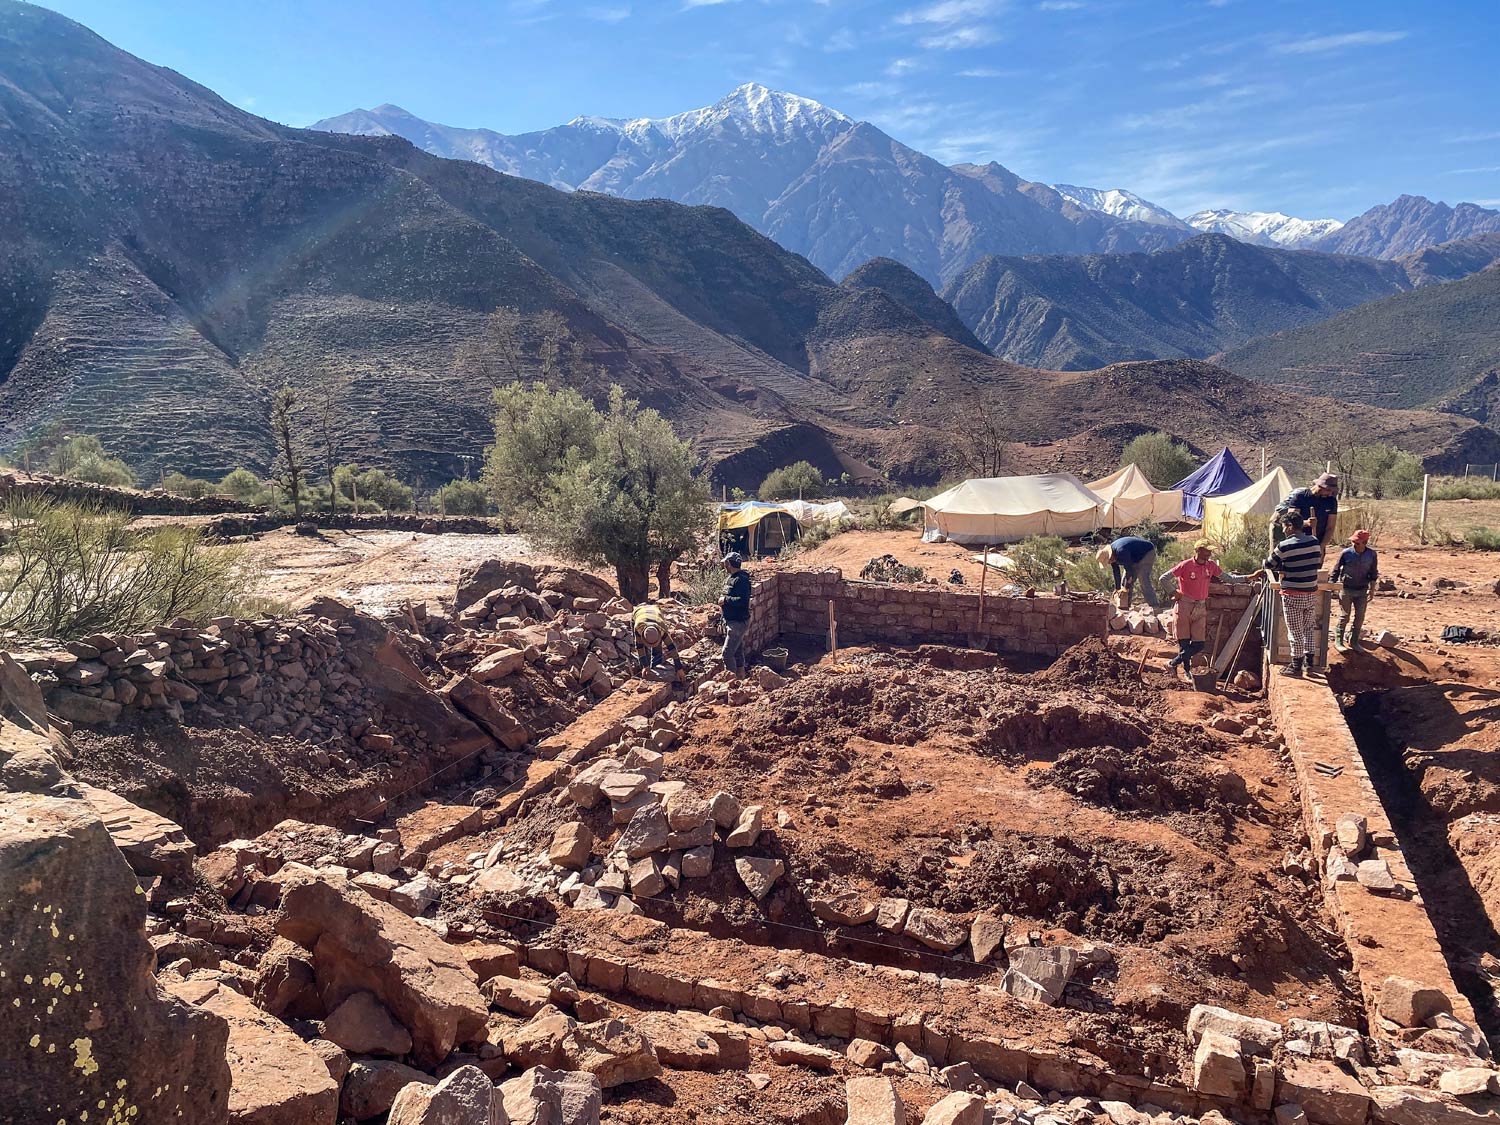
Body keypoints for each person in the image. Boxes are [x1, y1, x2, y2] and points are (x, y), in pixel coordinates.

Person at [1266, 514, 1324, 677]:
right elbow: (1317, 562)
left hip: (1292, 594)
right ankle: (1309, 664)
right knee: (1308, 629)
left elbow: (1269, 564)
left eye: (1284, 526)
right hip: (1310, 592)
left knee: (1295, 631)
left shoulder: (1284, 546)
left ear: (1290, 526)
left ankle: (1296, 665)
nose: (1283, 530)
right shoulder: (1314, 542)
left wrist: (1284, 566)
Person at [1165, 538, 1222, 673]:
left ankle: (1172, 663)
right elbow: (1164, 578)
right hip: (1184, 605)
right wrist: (1173, 592)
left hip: (1200, 606)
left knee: (1199, 644)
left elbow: (1227, 578)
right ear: (1198, 550)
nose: (1209, 554)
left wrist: (1248, 577)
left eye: (1210, 551)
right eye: (1207, 551)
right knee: (1184, 643)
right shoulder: (1185, 565)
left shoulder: (1211, 566)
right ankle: (1186, 671)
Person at [1330, 529, 1379, 652]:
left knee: (1360, 617)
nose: (1354, 544)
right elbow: (1336, 570)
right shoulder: (1346, 553)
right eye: (1353, 542)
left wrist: (1372, 589)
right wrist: (1331, 585)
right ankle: (1338, 641)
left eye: (1357, 543)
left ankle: (1354, 641)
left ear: (1365, 542)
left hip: (1362, 590)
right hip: (1346, 589)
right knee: (1345, 616)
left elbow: (1373, 573)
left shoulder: (1371, 555)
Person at [1274, 473, 1340, 558]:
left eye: (1332, 491)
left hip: (1317, 544)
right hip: (1298, 543)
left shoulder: (1331, 501)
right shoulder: (1300, 497)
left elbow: (1330, 527)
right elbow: (1290, 521)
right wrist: (1306, 523)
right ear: (1320, 486)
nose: (1330, 493)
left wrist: (1321, 546)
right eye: (1328, 490)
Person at [1095, 535, 1160, 610]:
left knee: (1143, 578)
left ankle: (1154, 604)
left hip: (1146, 553)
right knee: (1124, 582)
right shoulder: (1112, 555)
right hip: (1133, 558)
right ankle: (1125, 605)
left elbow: (1130, 571)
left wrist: (1126, 588)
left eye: (1108, 561)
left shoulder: (1121, 551)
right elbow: (1116, 571)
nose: (1109, 563)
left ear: (1110, 556)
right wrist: (1117, 588)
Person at [719, 552, 751, 677]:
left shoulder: (741, 580)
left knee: (727, 654)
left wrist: (725, 600)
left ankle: (730, 681)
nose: (724, 566)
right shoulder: (731, 578)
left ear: (729, 563)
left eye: (725, 563)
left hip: (738, 622)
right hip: (731, 621)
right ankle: (741, 678)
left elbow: (743, 601)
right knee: (737, 651)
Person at [632, 602, 683, 676]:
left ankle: (655, 667)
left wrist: (679, 668)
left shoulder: (661, 629)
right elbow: (639, 647)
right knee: (644, 651)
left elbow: (671, 648)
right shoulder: (638, 627)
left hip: (654, 611)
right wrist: (645, 666)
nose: (652, 645)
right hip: (639, 611)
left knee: (657, 650)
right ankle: (644, 670)